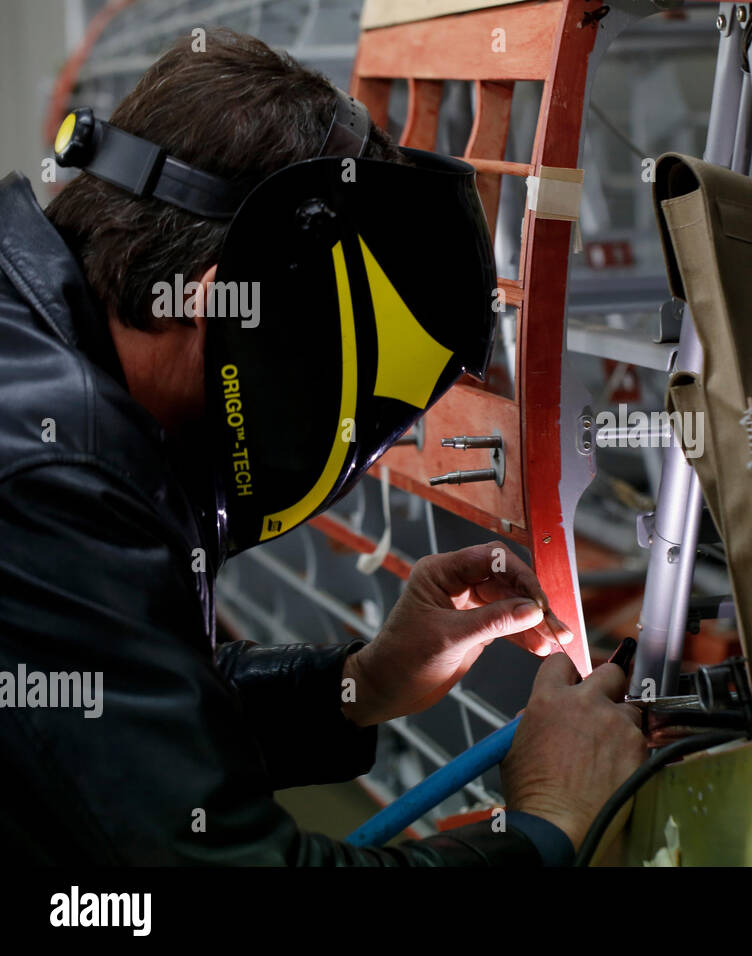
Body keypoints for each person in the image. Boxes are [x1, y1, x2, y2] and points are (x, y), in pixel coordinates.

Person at [0, 29, 645, 865]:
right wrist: (548, 827)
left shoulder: (39, 356)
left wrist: (359, 684)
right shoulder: (54, 475)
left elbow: (104, 717)